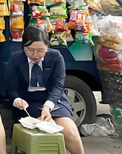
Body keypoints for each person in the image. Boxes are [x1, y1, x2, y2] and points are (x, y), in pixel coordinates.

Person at [6, 25, 84, 154]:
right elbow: (10, 88)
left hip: (53, 99)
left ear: (47, 47)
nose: (35, 55)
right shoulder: (16, 59)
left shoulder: (56, 57)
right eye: (30, 50)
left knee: (70, 131)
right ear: (23, 47)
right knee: (51, 129)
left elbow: (58, 86)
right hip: (29, 102)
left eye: (41, 50)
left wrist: (48, 107)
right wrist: (17, 100)